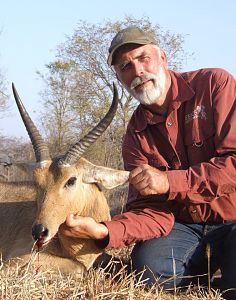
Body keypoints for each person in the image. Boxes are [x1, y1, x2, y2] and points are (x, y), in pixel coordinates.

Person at [59, 26, 236, 299]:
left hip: (233, 217)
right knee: (147, 270)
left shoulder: (214, 84)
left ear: (163, 58)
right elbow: (149, 210)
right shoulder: (135, 134)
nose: (137, 71)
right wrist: (104, 230)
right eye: (125, 67)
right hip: (185, 225)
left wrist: (169, 181)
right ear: (119, 78)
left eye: (143, 58)